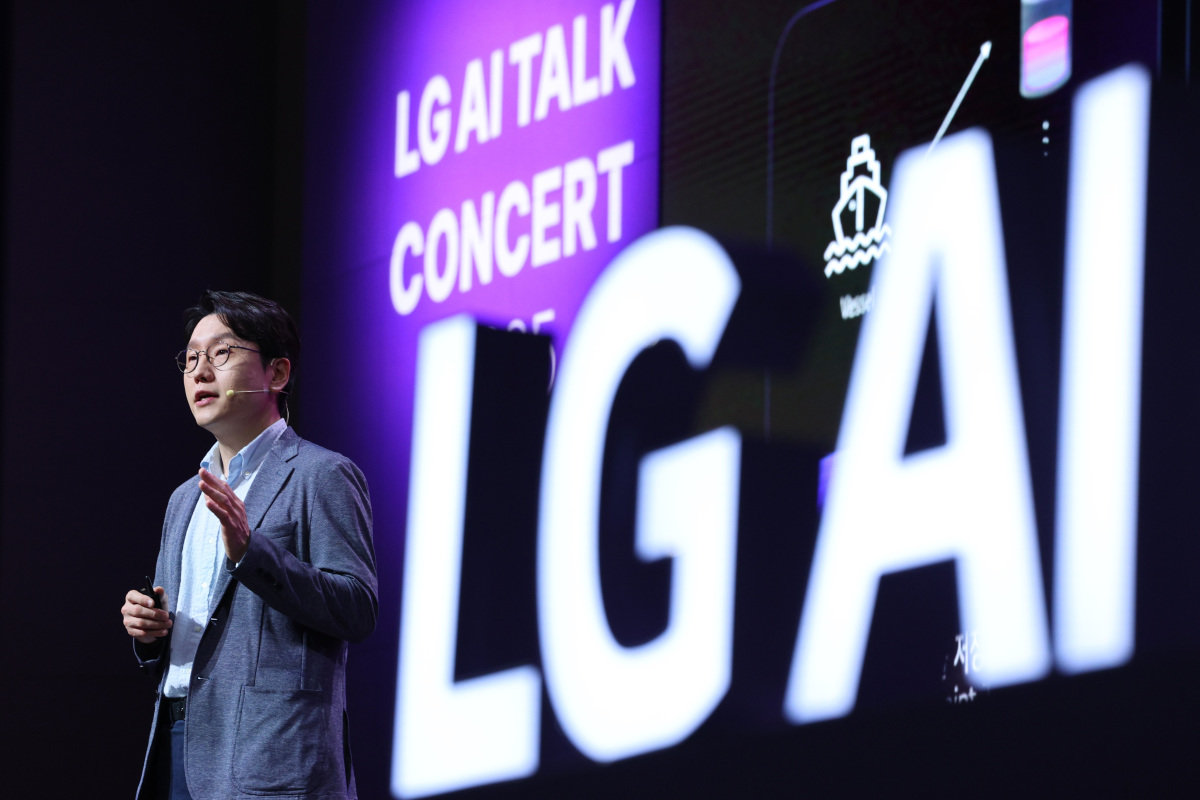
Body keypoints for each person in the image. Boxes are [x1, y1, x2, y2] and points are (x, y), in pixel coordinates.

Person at [120, 290, 378, 800]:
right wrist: (150, 630)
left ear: (276, 373)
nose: (199, 371)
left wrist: (250, 553)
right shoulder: (184, 498)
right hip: (178, 741)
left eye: (221, 353)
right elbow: (190, 635)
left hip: (271, 755)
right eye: (191, 358)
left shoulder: (321, 474)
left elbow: (357, 608)